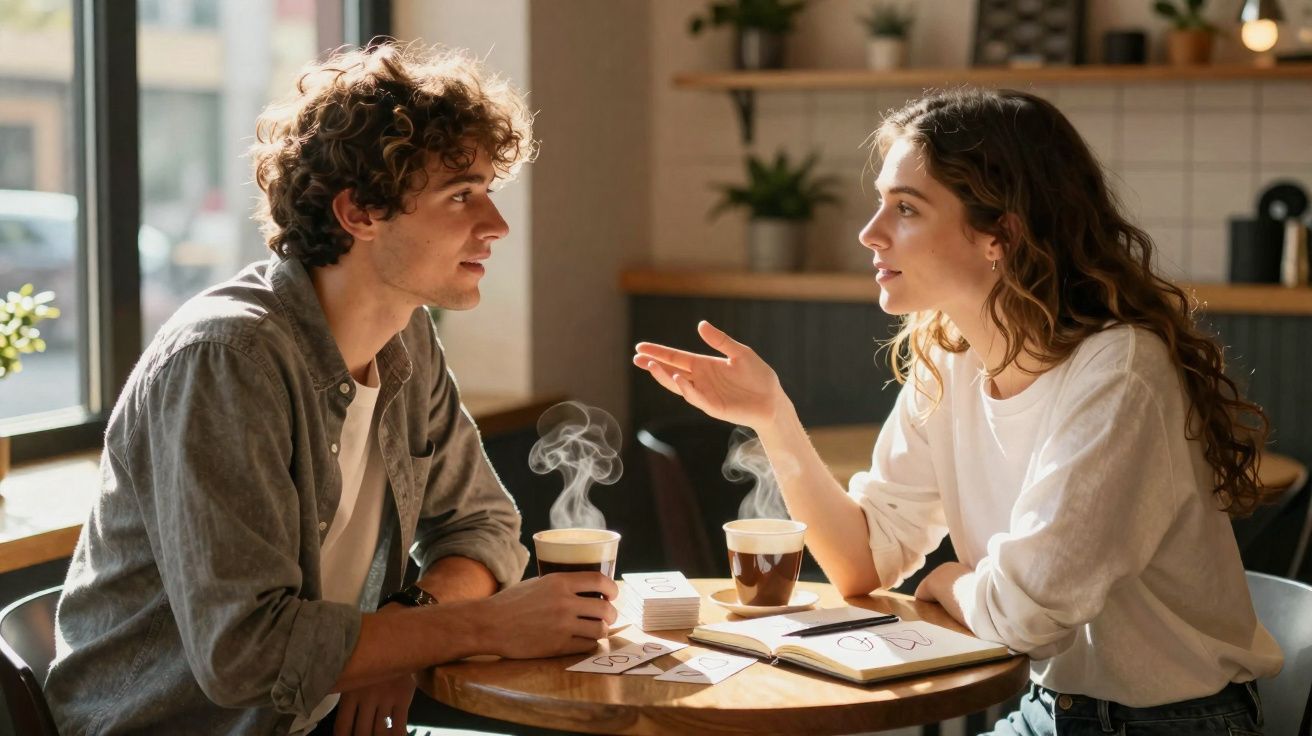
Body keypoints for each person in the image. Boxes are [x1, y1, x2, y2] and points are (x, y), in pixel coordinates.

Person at [633, 88, 1282, 735]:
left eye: (906, 209)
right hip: (1050, 711)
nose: (870, 233)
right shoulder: (949, 360)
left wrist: (949, 580)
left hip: (1176, 723)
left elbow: (1023, 615)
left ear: (1001, 233)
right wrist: (772, 416)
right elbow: (864, 560)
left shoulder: (1120, 374)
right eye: (880, 203)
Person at [45, 42, 618, 736]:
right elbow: (246, 652)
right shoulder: (226, 361)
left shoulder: (406, 335)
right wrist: (482, 624)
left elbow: (483, 526)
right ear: (359, 214)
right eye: (460, 195)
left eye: (489, 193)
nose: (494, 226)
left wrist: (407, 636)